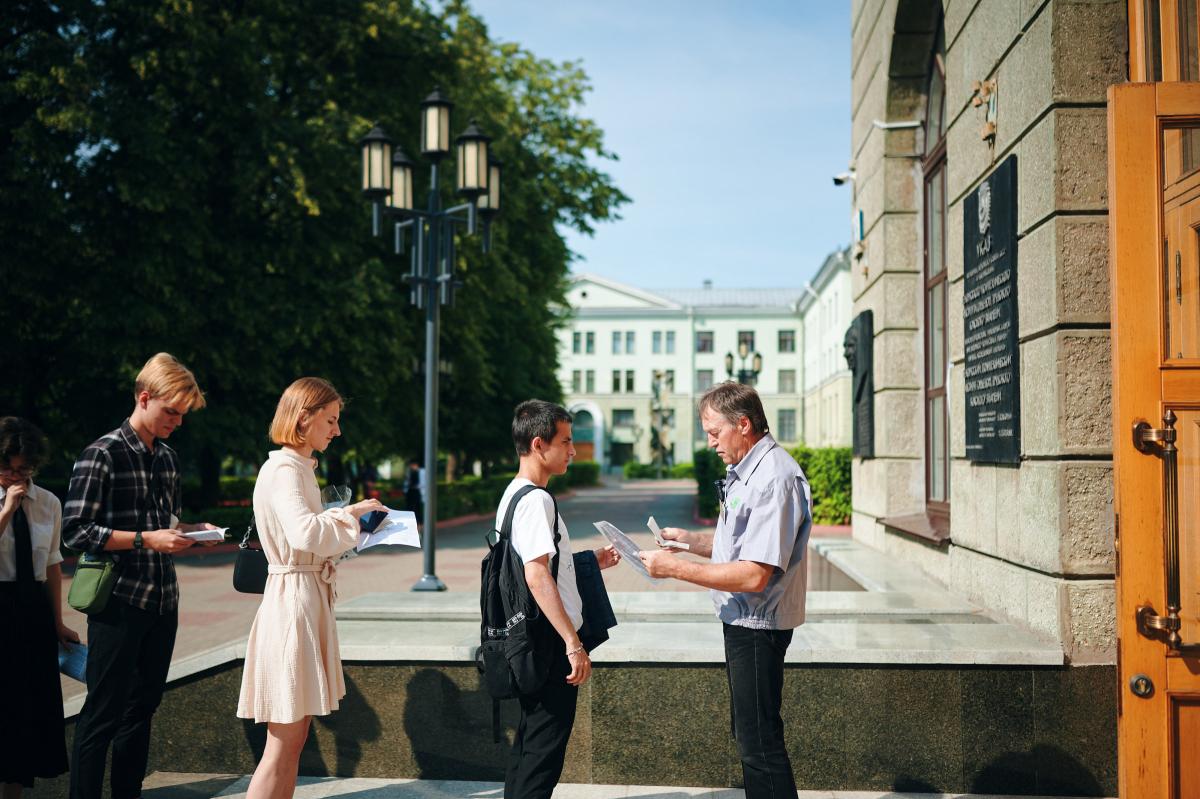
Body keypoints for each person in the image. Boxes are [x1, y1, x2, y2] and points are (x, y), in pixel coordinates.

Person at [639, 382, 811, 799]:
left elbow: (754, 574)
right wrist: (689, 542)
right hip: (743, 621)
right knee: (751, 735)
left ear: (745, 424)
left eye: (715, 432)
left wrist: (675, 569)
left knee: (760, 745)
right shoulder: (750, 470)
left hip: (758, 625)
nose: (711, 442)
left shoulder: (774, 478)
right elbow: (741, 544)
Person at [63, 353, 220, 799]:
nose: (178, 421)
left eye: (183, 414)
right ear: (144, 398)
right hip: (117, 600)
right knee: (102, 712)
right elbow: (76, 532)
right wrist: (145, 540)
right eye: (172, 411)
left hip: (163, 601)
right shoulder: (103, 453)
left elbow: (166, 522)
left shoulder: (168, 458)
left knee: (143, 708)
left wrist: (195, 532)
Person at [237, 377, 385, 799]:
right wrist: (351, 518)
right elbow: (305, 534)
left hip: (301, 596)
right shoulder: (284, 469)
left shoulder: (296, 468)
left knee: (293, 738)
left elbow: (310, 538)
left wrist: (347, 523)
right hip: (293, 603)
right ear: (304, 417)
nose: (337, 431)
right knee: (282, 741)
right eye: (331, 420)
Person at [497, 400, 618, 799]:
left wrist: (590, 560)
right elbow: (535, 575)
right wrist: (573, 643)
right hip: (548, 642)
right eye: (565, 442)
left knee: (531, 744)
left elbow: (539, 564)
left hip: (528, 637)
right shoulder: (536, 500)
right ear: (538, 444)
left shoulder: (514, 494)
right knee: (543, 754)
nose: (572, 450)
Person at [0, 417, 78, 798]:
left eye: (24, 469)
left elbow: (51, 563)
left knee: (24, 710)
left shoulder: (48, 502)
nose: (16, 477)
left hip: (30, 609)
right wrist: (6, 510)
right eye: (8, 469)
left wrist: (57, 621)